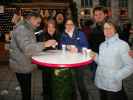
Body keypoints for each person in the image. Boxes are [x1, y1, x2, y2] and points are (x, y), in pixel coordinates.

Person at [9, 11, 57, 100]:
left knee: (26, 89)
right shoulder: (22, 29)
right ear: (31, 19)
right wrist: (45, 44)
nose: (38, 25)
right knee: (26, 91)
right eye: (38, 22)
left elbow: (30, 45)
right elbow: (27, 48)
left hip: (24, 63)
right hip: (21, 65)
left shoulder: (28, 28)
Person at [94, 20, 133, 100]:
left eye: (110, 28)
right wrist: (95, 56)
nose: (107, 30)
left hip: (112, 84)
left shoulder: (122, 45)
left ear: (115, 29)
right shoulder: (102, 45)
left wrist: (116, 76)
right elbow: (101, 62)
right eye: (105, 28)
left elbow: (130, 66)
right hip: (101, 82)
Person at [60, 18, 90, 100]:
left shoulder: (80, 34)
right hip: (68, 62)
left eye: (71, 24)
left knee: (80, 84)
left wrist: (77, 49)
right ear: (65, 25)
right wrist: (66, 47)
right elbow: (61, 46)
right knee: (71, 84)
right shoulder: (63, 34)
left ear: (74, 25)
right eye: (67, 24)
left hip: (79, 62)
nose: (69, 26)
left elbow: (86, 47)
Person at [41, 19, 60, 100]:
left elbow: (61, 48)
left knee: (55, 79)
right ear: (46, 27)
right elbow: (40, 48)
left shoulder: (59, 35)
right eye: (49, 27)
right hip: (46, 62)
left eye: (52, 27)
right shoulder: (43, 35)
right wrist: (46, 46)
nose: (50, 28)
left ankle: (54, 93)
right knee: (46, 79)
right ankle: (46, 94)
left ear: (55, 28)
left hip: (56, 62)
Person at [89, 6, 107, 80]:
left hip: (108, 59)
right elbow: (91, 44)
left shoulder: (111, 27)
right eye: (96, 15)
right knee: (97, 80)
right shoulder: (93, 29)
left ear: (105, 15)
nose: (98, 16)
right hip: (96, 58)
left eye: (100, 14)